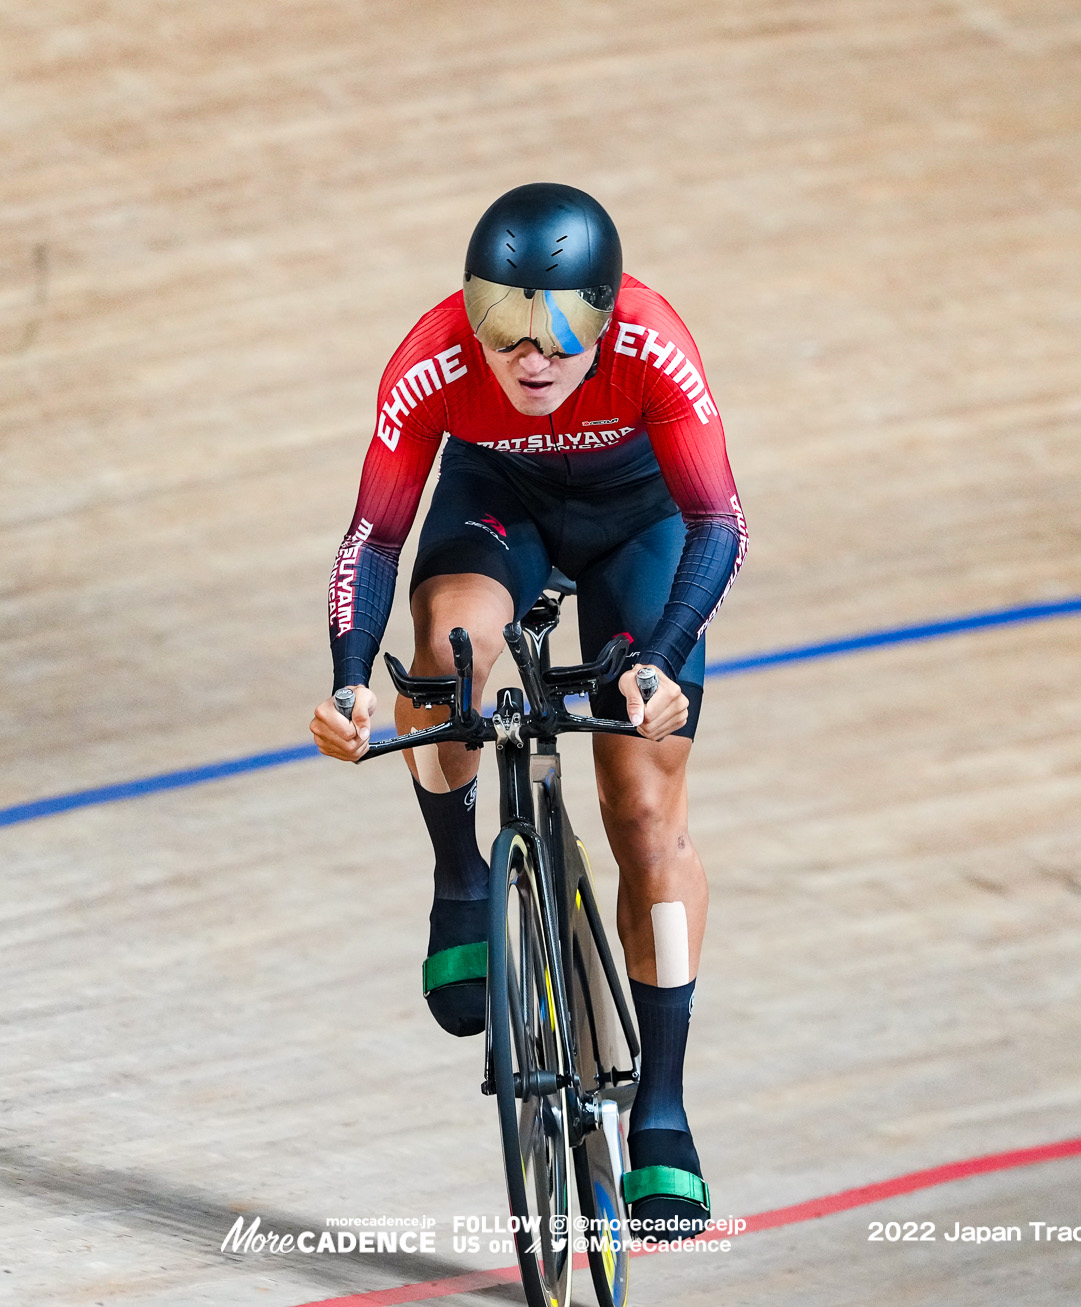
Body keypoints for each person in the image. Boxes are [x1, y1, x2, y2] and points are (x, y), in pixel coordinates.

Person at [309, 183, 747, 1242]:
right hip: (498, 506)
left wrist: (666, 659)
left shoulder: (655, 344)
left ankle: (664, 1107)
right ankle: (461, 878)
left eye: (561, 327)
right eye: (504, 324)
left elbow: (716, 519)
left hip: (640, 528)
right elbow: (372, 539)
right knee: (446, 663)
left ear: (606, 313)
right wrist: (347, 677)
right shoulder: (434, 360)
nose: (532, 353)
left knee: (642, 808)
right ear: (471, 312)